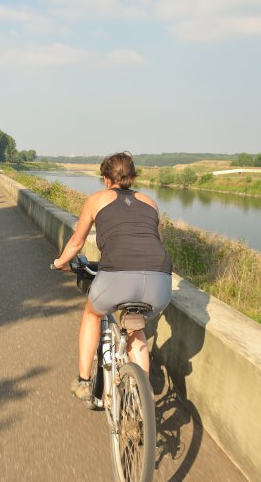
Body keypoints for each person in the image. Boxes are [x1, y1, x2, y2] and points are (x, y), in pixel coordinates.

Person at [52, 152, 172, 407]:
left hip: (117, 274)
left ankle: (84, 382)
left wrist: (60, 263)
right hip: (160, 279)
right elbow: (157, 241)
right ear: (132, 176)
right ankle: (142, 402)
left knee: (92, 314)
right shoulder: (149, 202)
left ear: (106, 179)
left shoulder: (97, 199)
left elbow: (76, 242)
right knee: (136, 330)